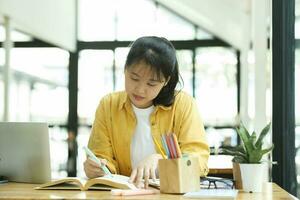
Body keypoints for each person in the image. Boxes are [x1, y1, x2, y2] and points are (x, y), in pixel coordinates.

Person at [84, 36, 210, 188]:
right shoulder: (108, 105)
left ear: (166, 81)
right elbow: (102, 157)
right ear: (125, 69)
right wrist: (98, 168)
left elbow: (199, 160)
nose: (140, 90)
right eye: (134, 78)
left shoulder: (183, 105)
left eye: (151, 83)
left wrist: (161, 160)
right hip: (123, 195)